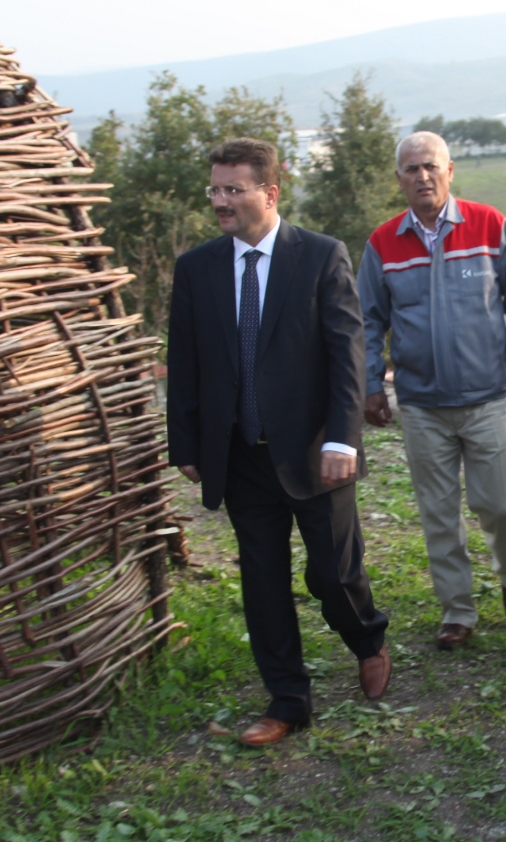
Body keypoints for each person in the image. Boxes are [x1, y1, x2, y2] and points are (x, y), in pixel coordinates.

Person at [167, 138, 391, 747]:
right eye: (215, 189)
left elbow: (347, 355)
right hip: (240, 455)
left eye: (233, 190)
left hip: (316, 454)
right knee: (263, 582)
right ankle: (288, 701)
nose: (220, 201)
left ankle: (367, 638)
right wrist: (186, 443)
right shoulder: (197, 269)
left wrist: (343, 439)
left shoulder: (319, 255)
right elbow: (184, 362)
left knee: (333, 575)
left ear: (269, 193)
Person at [359, 132, 506, 650]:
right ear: (399, 179)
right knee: (438, 513)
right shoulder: (382, 243)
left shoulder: (488, 225)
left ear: (450, 170)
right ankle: (457, 610)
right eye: (411, 169)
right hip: (420, 404)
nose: (422, 176)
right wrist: (370, 383)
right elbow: (367, 320)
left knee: (501, 506)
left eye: (431, 166)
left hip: (487, 397)